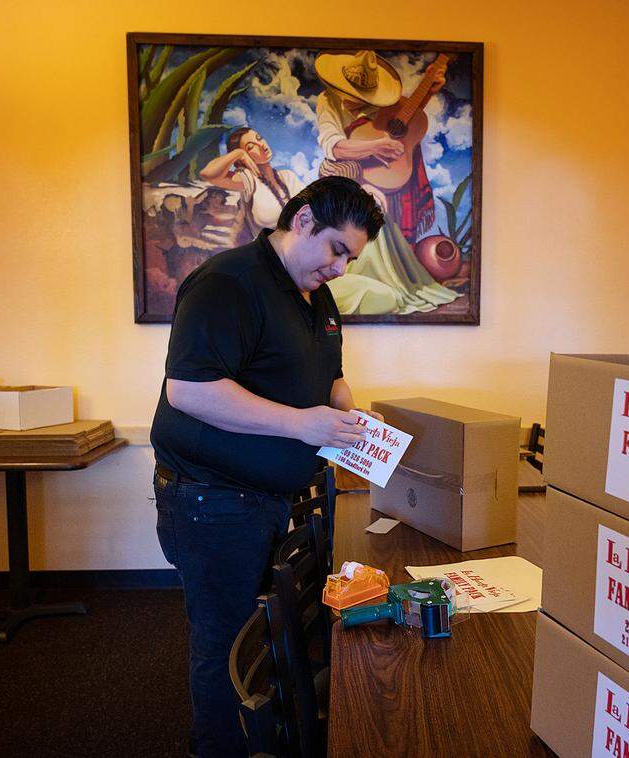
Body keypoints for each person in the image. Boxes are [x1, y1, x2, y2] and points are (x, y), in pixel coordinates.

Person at [150, 176, 385, 757]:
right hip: (212, 500)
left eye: (350, 258)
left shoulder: (316, 295)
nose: (340, 268)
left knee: (257, 641)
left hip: (268, 497)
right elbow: (190, 391)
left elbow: (327, 375)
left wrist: (346, 411)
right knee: (225, 646)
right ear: (302, 219)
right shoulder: (228, 282)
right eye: (336, 249)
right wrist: (302, 424)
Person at [313, 50, 459, 315]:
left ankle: (392, 279)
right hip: (348, 176)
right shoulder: (328, 101)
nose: (362, 102)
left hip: (384, 178)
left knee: (381, 217)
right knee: (360, 217)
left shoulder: (381, 99)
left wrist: (426, 92)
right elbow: (333, 147)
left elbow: (399, 120)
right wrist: (373, 147)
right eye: (356, 96)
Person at [199, 127, 306, 243]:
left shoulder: (288, 176)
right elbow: (207, 174)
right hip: (270, 254)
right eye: (250, 147)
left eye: (259, 138)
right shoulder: (249, 180)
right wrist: (238, 153)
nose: (261, 145)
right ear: (242, 159)